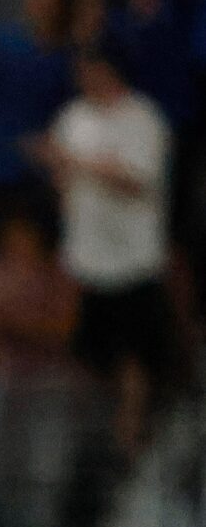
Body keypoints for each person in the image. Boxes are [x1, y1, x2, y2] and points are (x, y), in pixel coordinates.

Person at [37, 46, 175, 457]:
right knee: (92, 347)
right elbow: (63, 177)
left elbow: (138, 179)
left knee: (137, 346)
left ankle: (134, 426)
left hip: (133, 257)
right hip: (86, 254)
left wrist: (79, 164)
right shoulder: (73, 118)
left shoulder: (143, 118)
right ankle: (102, 423)